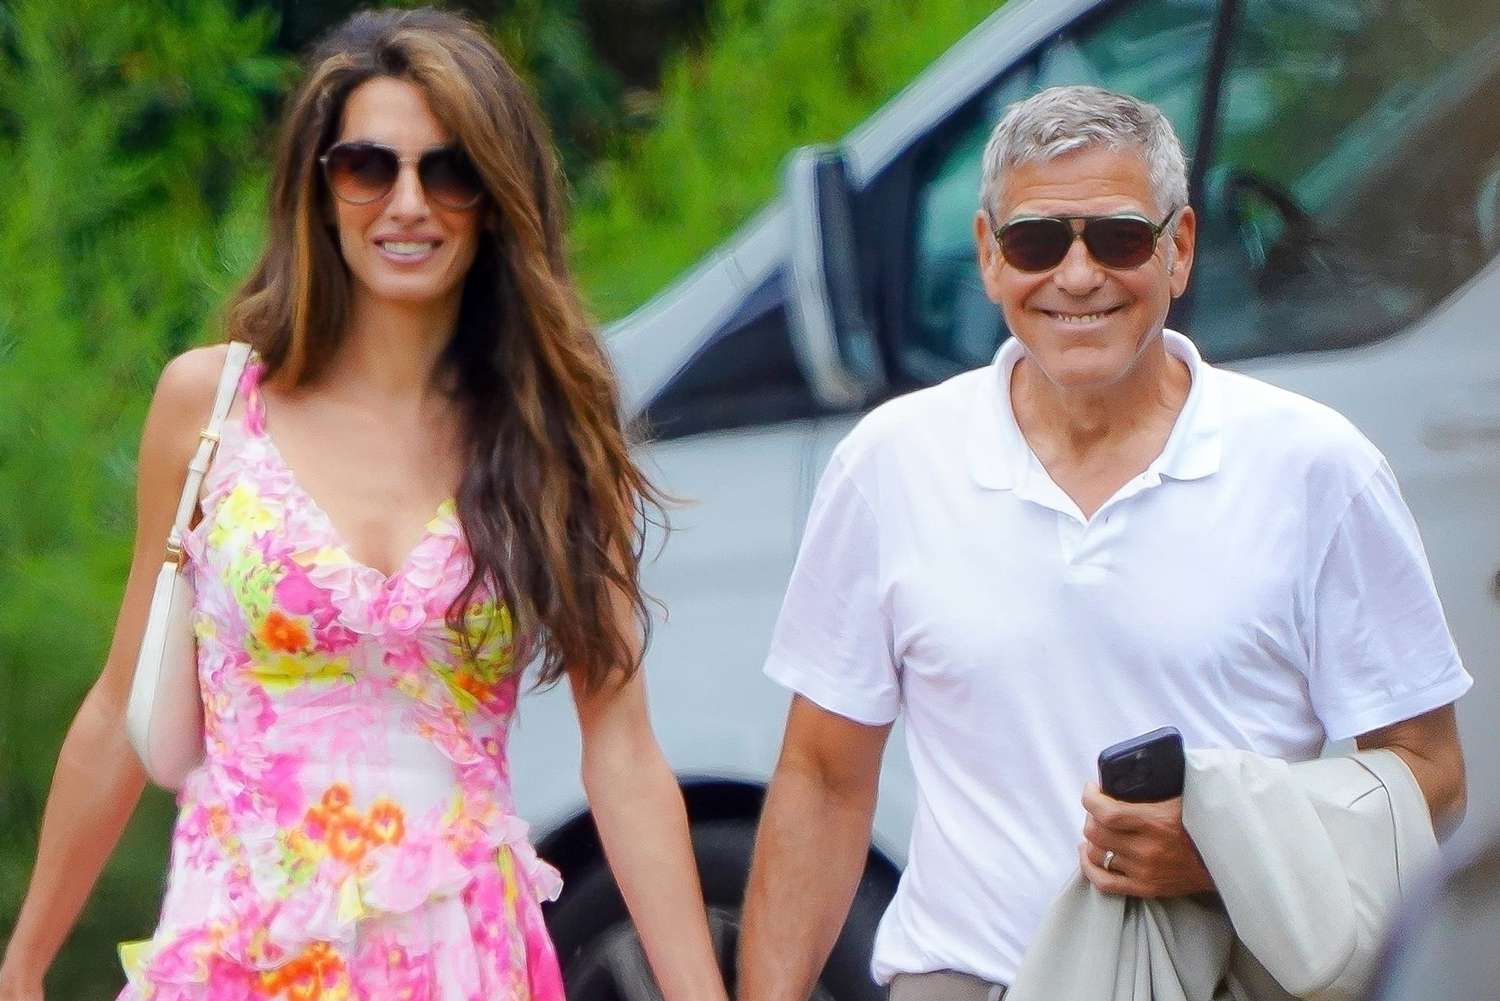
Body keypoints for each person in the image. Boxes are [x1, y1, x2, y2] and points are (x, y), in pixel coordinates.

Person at [0, 9, 728, 1001]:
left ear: (496, 196)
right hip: (239, 954)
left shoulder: (548, 428)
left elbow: (625, 752)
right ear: (320, 186)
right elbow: (120, 707)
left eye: (450, 170)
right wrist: (24, 962)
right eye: (369, 167)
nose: (408, 202)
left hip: (462, 960)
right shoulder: (209, 407)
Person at [736, 85, 1471, 1001]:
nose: (1076, 276)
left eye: (1118, 237)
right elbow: (821, 779)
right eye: (1037, 241)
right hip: (964, 981)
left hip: (1219, 976)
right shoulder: (889, 464)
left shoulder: (1317, 466)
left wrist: (1230, 849)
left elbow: (1432, 775)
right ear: (988, 257)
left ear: (1180, 249)